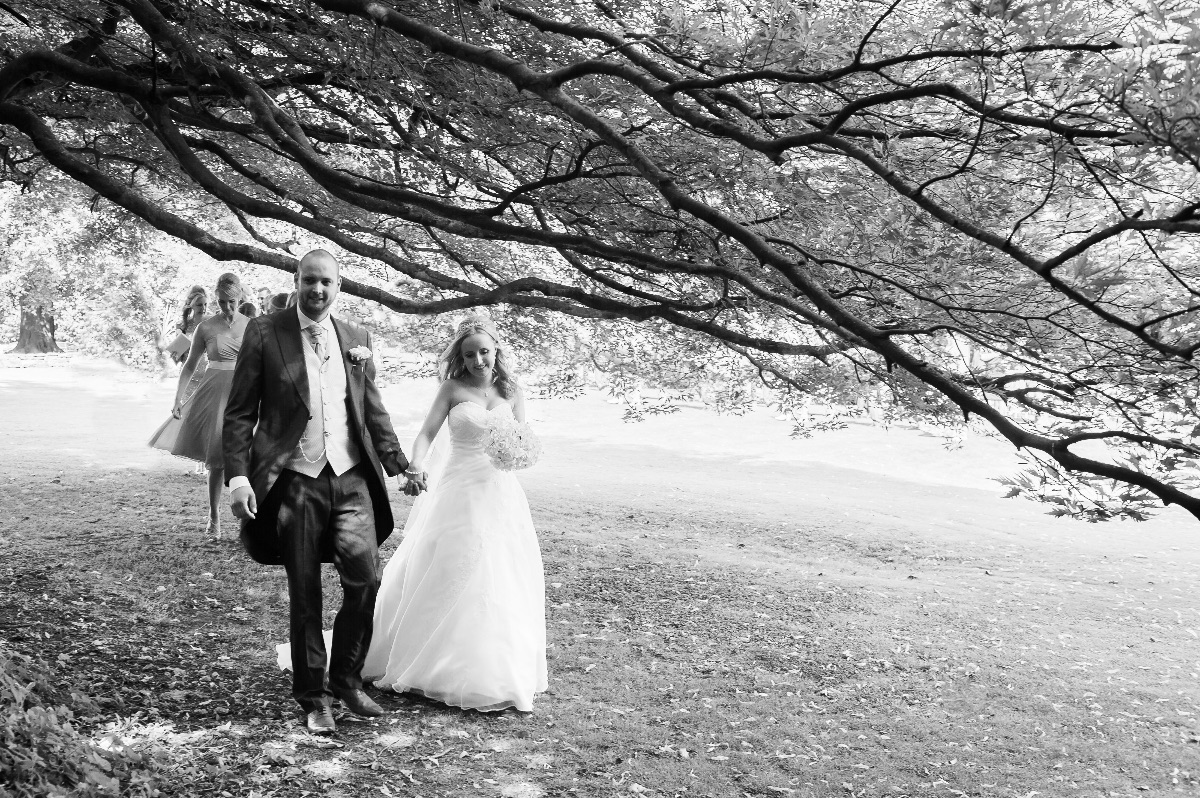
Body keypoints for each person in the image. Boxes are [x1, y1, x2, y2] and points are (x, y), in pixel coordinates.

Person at [223, 249, 411, 735]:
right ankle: (313, 696)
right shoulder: (265, 331)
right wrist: (239, 477)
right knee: (304, 591)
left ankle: (346, 678)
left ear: (339, 286)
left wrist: (399, 463)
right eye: (310, 280)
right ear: (297, 280)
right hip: (295, 480)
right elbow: (240, 412)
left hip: (351, 478)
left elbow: (372, 409)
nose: (318, 289)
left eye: (326, 281)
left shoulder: (356, 337)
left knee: (365, 581)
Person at [363, 316, 547, 713]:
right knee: (450, 565)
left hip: (499, 491)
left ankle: (492, 668)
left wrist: (518, 454)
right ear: (459, 358)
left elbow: (522, 437)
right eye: (469, 354)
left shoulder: (512, 391)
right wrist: (416, 465)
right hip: (457, 489)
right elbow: (426, 434)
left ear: (496, 351)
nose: (478, 360)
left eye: (484, 352)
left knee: (498, 572)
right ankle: (424, 660)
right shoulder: (451, 388)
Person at [149, 274, 248, 538]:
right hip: (215, 393)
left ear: (240, 297)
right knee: (217, 458)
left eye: (232, 302)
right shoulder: (206, 327)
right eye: (222, 302)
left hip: (244, 394)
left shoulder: (252, 326)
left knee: (247, 456)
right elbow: (190, 365)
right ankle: (214, 517)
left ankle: (248, 519)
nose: (227, 307)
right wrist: (177, 399)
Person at [162, 286, 208, 364]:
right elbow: (178, 359)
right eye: (199, 305)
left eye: (205, 304)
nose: (203, 308)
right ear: (191, 305)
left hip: (208, 370)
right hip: (187, 369)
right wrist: (175, 355)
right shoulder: (181, 325)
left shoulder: (211, 323)